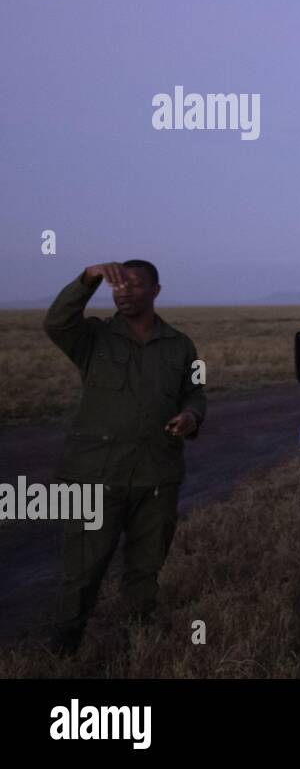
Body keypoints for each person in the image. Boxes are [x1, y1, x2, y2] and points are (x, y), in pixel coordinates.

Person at [43, 260, 206, 653]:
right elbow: (56, 322)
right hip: (95, 476)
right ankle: (64, 648)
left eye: (135, 285)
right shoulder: (93, 338)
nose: (124, 291)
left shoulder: (180, 345)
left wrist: (191, 415)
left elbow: (196, 390)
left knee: (145, 567)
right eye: (118, 285)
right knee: (83, 570)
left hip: (157, 475)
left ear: (155, 290)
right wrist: (88, 278)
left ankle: (137, 640)